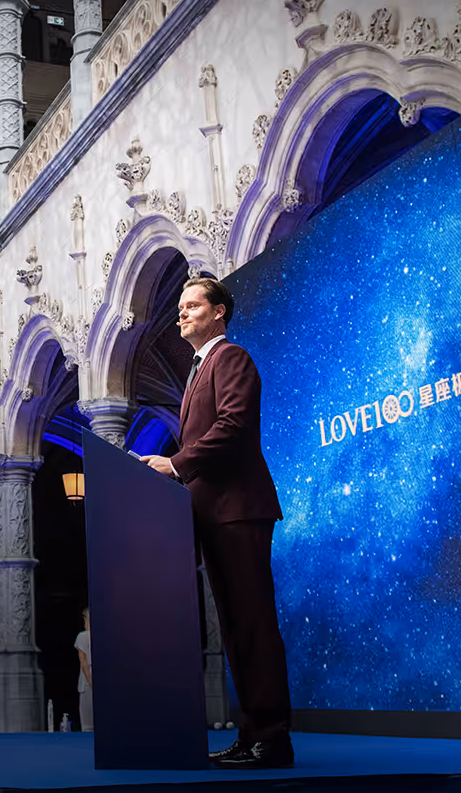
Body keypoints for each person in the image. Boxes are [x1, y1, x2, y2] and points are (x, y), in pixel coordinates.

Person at [140, 276, 293, 769]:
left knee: (253, 626)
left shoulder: (231, 359)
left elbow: (232, 427)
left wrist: (176, 464)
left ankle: (271, 738)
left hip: (238, 510)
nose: (181, 314)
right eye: (180, 307)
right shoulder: (197, 370)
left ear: (219, 312)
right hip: (213, 514)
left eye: (192, 306)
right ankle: (252, 734)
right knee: (234, 630)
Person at [74, 607, 93, 732]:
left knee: (88, 722)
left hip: (89, 678)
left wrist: (89, 681)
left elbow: (83, 662)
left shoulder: (83, 636)